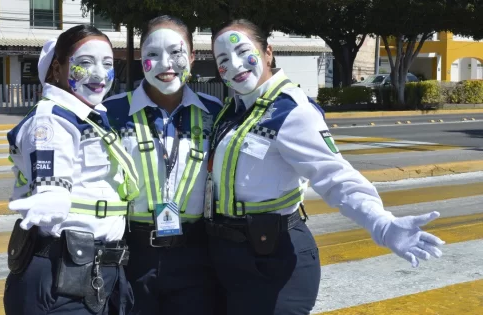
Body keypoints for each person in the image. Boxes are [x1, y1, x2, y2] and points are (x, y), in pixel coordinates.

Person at [204, 19, 446, 315]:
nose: (236, 65)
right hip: (229, 258)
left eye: (244, 52)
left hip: (273, 260)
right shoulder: (231, 110)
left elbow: (335, 176)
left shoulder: (291, 111)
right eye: (223, 60)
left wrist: (381, 224)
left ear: (268, 52)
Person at [3, 25, 138, 315]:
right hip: (63, 276)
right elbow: (51, 180)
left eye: (107, 64)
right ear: (57, 69)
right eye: (85, 63)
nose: (100, 74)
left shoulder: (89, 118)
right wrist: (51, 193)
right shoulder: (51, 122)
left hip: (92, 270)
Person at [103, 15, 223, 315]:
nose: (165, 64)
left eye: (176, 53)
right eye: (152, 54)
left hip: (197, 253)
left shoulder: (215, 112)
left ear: (193, 58)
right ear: (141, 58)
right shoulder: (111, 112)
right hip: (133, 253)